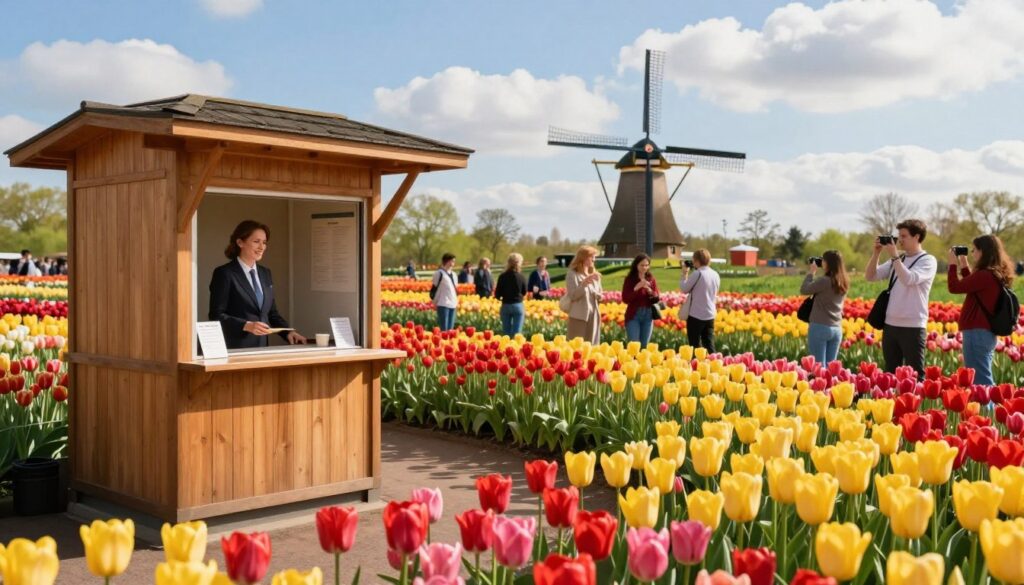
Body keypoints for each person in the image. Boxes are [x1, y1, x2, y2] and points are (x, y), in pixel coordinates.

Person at [209, 220, 307, 349]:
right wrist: (247, 325)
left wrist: (288, 332)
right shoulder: (225, 273)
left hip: (261, 348)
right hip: (235, 348)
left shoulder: (265, 273)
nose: (262, 247)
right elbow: (216, 315)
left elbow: (271, 313)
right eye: (256, 242)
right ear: (240, 242)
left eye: (264, 242)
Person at [865, 219, 937, 376]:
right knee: (890, 374)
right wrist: (876, 253)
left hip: (913, 325)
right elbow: (871, 276)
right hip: (890, 324)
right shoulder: (899, 259)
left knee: (916, 374)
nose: (899, 240)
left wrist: (894, 256)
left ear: (916, 237)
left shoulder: (928, 260)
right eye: (899, 235)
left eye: (904, 236)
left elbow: (909, 279)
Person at [947, 235, 1014, 386]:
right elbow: (972, 286)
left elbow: (954, 287)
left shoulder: (985, 275)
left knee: (980, 381)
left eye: (974, 250)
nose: (972, 253)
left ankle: (989, 408)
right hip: (984, 333)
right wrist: (963, 263)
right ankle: (988, 408)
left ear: (983, 251)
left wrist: (952, 264)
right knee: (982, 376)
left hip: (977, 333)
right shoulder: (993, 273)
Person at [800, 250, 849, 364]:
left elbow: (804, 290)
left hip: (819, 327)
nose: (822, 262)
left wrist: (811, 273)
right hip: (836, 329)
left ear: (828, 263)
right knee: (831, 370)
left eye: (823, 260)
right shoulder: (843, 282)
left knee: (818, 369)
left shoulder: (824, 281)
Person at [680, 249, 721, 352]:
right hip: (710, 314)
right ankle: (714, 365)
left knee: (694, 346)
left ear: (697, 261)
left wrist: (684, 274)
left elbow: (684, 289)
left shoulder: (698, 273)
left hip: (696, 315)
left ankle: (697, 366)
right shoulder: (715, 274)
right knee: (709, 344)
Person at [565, 245, 602, 344]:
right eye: (592, 256)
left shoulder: (594, 274)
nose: (594, 259)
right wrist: (584, 284)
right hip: (579, 316)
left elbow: (600, 295)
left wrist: (598, 295)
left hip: (593, 315)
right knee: (577, 347)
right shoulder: (572, 274)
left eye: (595, 257)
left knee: (592, 346)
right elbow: (573, 295)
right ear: (583, 257)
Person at [622, 254, 660, 349]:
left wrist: (650, 291)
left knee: (644, 346)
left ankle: (642, 364)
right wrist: (637, 288)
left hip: (648, 315)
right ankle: (632, 363)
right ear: (636, 265)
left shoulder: (651, 279)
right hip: (633, 315)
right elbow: (625, 299)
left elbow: (656, 298)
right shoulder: (630, 280)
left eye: (646, 265)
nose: (644, 267)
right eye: (642, 265)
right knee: (634, 345)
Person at [495, 253, 528, 335]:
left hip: (506, 305)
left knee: (506, 333)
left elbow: (497, 294)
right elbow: (524, 292)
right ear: (519, 263)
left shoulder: (502, 276)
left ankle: (507, 347)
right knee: (517, 333)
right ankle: (516, 346)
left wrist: (502, 297)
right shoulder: (521, 277)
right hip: (517, 305)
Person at [432, 253, 458, 331]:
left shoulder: (454, 274)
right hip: (443, 303)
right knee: (444, 329)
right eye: (452, 261)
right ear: (447, 261)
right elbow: (435, 286)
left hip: (453, 303)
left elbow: (455, 288)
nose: (453, 263)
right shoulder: (439, 273)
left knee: (450, 329)